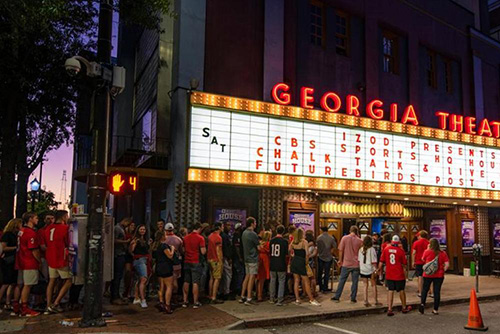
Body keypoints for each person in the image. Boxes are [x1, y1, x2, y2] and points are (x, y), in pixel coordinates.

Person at [43, 210, 72, 314]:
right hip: (61, 258)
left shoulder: (48, 228)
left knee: (52, 281)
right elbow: (69, 243)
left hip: (51, 258)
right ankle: (56, 303)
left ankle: (48, 304)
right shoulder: (65, 229)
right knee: (69, 280)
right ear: (64, 217)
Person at [14, 212, 41, 317]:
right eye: (36, 218)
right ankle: (24, 307)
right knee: (28, 285)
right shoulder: (31, 233)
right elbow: (34, 249)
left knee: (20, 284)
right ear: (30, 219)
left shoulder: (21, 231)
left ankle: (17, 304)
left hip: (21, 260)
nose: (37, 220)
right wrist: (38, 261)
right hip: (29, 261)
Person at [379, 235, 411, 316]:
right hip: (399, 274)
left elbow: (381, 261)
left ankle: (389, 308)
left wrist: (378, 270)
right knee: (401, 290)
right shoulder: (400, 251)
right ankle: (404, 307)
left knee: (390, 291)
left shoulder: (386, 249)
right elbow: (404, 263)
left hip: (389, 274)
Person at [289, 228, 321, 306]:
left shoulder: (293, 242)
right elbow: (307, 254)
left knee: (296, 280)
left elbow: (289, 251)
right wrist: (306, 262)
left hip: (295, 261)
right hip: (302, 261)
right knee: (306, 281)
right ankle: (311, 299)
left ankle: (297, 299)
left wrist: (293, 256)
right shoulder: (304, 242)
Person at [331, 225, 363, 303]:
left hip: (346, 262)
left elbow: (341, 250)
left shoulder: (344, 238)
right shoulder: (360, 241)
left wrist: (340, 260)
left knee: (342, 280)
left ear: (350, 230)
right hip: (356, 263)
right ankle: (353, 298)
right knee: (355, 282)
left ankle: (337, 296)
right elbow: (361, 252)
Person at [419, 238, 449, 315]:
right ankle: (435, 309)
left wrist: (427, 249)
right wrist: (443, 270)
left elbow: (422, 259)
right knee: (437, 291)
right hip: (439, 275)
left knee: (425, 289)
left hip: (428, 274)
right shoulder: (442, 253)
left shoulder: (427, 252)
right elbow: (447, 264)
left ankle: (422, 304)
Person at [182, 223, 206, 309]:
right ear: (199, 228)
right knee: (195, 282)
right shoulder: (200, 238)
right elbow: (203, 252)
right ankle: (195, 302)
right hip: (196, 261)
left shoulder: (186, 238)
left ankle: (185, 301)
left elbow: (183, 250)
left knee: (186, 281)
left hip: (187, 260)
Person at [0, 218, 22, 311]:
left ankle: (8, 302)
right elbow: (3, 247)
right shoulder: (7, 235)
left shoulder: (16, 234)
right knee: (6, 282)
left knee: (12, 283)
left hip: (13, 260)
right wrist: (15, 248)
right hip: (8, 260)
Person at [152, 230, 175, 314]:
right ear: (162, 236)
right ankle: (167, 305)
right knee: (169, 286)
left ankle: (161, 302)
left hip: (158, 266)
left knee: (161, 286)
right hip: (166, 267)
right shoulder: (164, 246)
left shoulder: (155, 246)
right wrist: (172, 249)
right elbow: (170, 255)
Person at [111, 218, 132, 305]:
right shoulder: (117, 228)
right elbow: (114, 240)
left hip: (121, 254)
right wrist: (125, 241)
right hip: (118, 254)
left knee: (119, 276)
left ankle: (116, 294)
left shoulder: (121, 229)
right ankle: (114, 296)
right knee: (117, 275)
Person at [240, 217, 259, 306]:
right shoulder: (253, 234)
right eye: (255, 222)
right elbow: (258, 247)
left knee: (247, 276)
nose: (256, 224)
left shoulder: (244, 233)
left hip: (246, 257)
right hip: (253, 258)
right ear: (252, 224)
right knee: (252, 277)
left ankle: (242, 295)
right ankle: (249, 297)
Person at [130, 225, 150, 308]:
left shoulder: (144, 240)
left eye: (144, 229)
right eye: (141, 229)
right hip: (140, 260)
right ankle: (143, 299)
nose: (142, 230)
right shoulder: (136, 240)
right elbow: (131, 250)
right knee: (143, 279)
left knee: (140, 279)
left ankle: (137, 297)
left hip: (144, 259)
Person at [358, 235, 380, 307]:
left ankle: (365, 301)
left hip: (363, 269)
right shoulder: (372, 249)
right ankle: (375, 300)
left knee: (365, 285)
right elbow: (374, 261)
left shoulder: (361, 249)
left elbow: (359, 260)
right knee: (373, 285)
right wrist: (376, 270)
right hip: (370, 269)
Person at [269, 225, 288, 306]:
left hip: (272, 262)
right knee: (281, 281)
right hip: (281, 262)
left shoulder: (271, 241)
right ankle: (280, 299)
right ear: (283, 232)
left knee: (272, 280)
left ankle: (271, 298)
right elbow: (286, 253)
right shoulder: (284, 241)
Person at [164, 223, 183, 298]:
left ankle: (166, 298)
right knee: (175, 281)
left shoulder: (163, 239)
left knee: (165, 282)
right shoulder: (178, 239)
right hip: (176, 263)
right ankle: (174, 298)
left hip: (165, 263)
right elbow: (181, 251)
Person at [207, 222, 224, 304]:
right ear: (219, 228)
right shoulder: (218, 237)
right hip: (216, 259)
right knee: (217, 278)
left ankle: (210, 295)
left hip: (209, 258)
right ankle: (214, 297)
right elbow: (218, 250)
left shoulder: (210, 236)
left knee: (211, 277)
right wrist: (220, 259)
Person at [316, 226, 336, 293]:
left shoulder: (318, 238)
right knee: (327, 273)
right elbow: (334, 247)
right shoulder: (331, 238)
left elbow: (317, 248)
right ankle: (325, 287)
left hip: (320, 256)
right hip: (328, 257)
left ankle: (320, 287)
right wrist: (330, 252)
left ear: (321, 230)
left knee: (320, 272)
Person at [411, 230, 429, 297]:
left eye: (418, 236)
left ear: (420, 235)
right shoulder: (428, 242)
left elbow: (414, 253)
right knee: (428, 277)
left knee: (420, 277)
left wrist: (413, 261)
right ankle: (431, 292)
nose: (417, 237)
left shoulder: (416, 243)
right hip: (427, 261)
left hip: (419, 261)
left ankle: (420, 292)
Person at [219, 222, 233, 300]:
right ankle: (226, 292)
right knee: (228, 275)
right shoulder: (224, 236)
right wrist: (229, 257)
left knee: (223, 275)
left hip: (221, 257)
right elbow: (226, 248)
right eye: (227, 225)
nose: (229, 227)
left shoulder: (223, 235)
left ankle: (222, 291)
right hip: (225, 257)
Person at [257, 231, 271, 302]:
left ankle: (258, 294)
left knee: (259, 278)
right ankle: (260, 295)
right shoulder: (268, 244)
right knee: (262, 278)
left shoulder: (260, 243)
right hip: (265, 260)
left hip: (259, 259)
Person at [123, 221, 136, 300]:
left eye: (134, 225)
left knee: (130, 273)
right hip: (125, 254)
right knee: (126, 272)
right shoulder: (124, 233)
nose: (133, 227)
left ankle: (128, 291)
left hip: (130, 255)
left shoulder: (134, 236)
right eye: (131, 225)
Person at [231, 223, 244, 296]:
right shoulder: (237, 236)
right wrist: (240, 257)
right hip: (237, 258)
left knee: (238, 273)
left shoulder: (236, 235)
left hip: (236, 258)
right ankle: (238, 288)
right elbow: (237, 247)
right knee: (240, 273)